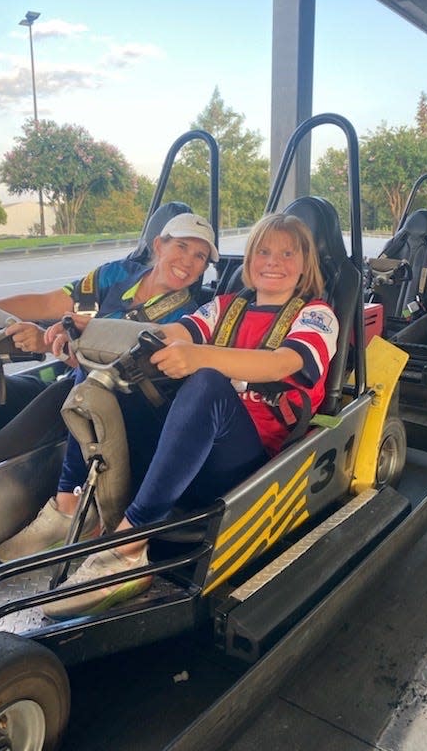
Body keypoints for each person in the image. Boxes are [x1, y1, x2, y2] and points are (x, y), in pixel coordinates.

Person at [42, 213, 339, 619]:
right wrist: (91, 332)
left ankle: (129, 550)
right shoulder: (225, 306)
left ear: (305, 264)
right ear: (250, 260)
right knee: (98, 378)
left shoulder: (317, 316)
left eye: (288, 253)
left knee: (207, 384)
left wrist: (202, 358)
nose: (274, 261)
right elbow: (169, 334)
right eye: (265, 251)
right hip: (192, 447)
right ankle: (73, 502)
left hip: (250, 461)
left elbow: (281, 364)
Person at [0, 213, 219, 518]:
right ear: (159, 245)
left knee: (70, 388)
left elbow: (119, 369)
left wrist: (45, 343)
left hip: (105, 410)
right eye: (182, 247)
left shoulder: (186, 319)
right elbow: (49, 303)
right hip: (65, 382)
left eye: (200, 257)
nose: (188, 262)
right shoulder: (116, 275)